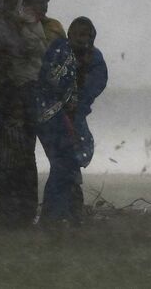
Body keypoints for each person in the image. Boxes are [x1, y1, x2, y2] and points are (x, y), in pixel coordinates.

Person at [0, 0, 41, 226]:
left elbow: (31, 50)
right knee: (6, 156)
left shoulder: (23, 21)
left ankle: (25, 211)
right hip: (1, 93)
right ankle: (8, 212)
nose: (13, 2)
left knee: (25, 154)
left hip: (24, 91)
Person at [36, 16, 108, 225]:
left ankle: (66, 214)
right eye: (79, 34)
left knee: (68, 163)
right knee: (62, 163)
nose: (82, 39)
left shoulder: (94, 59)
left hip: (73, 118)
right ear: (70, 35)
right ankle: (57, 215)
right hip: (49, 115)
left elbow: (94, 87)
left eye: (87, 35)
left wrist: (76, 109)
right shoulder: (59, 50)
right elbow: (47, 78)